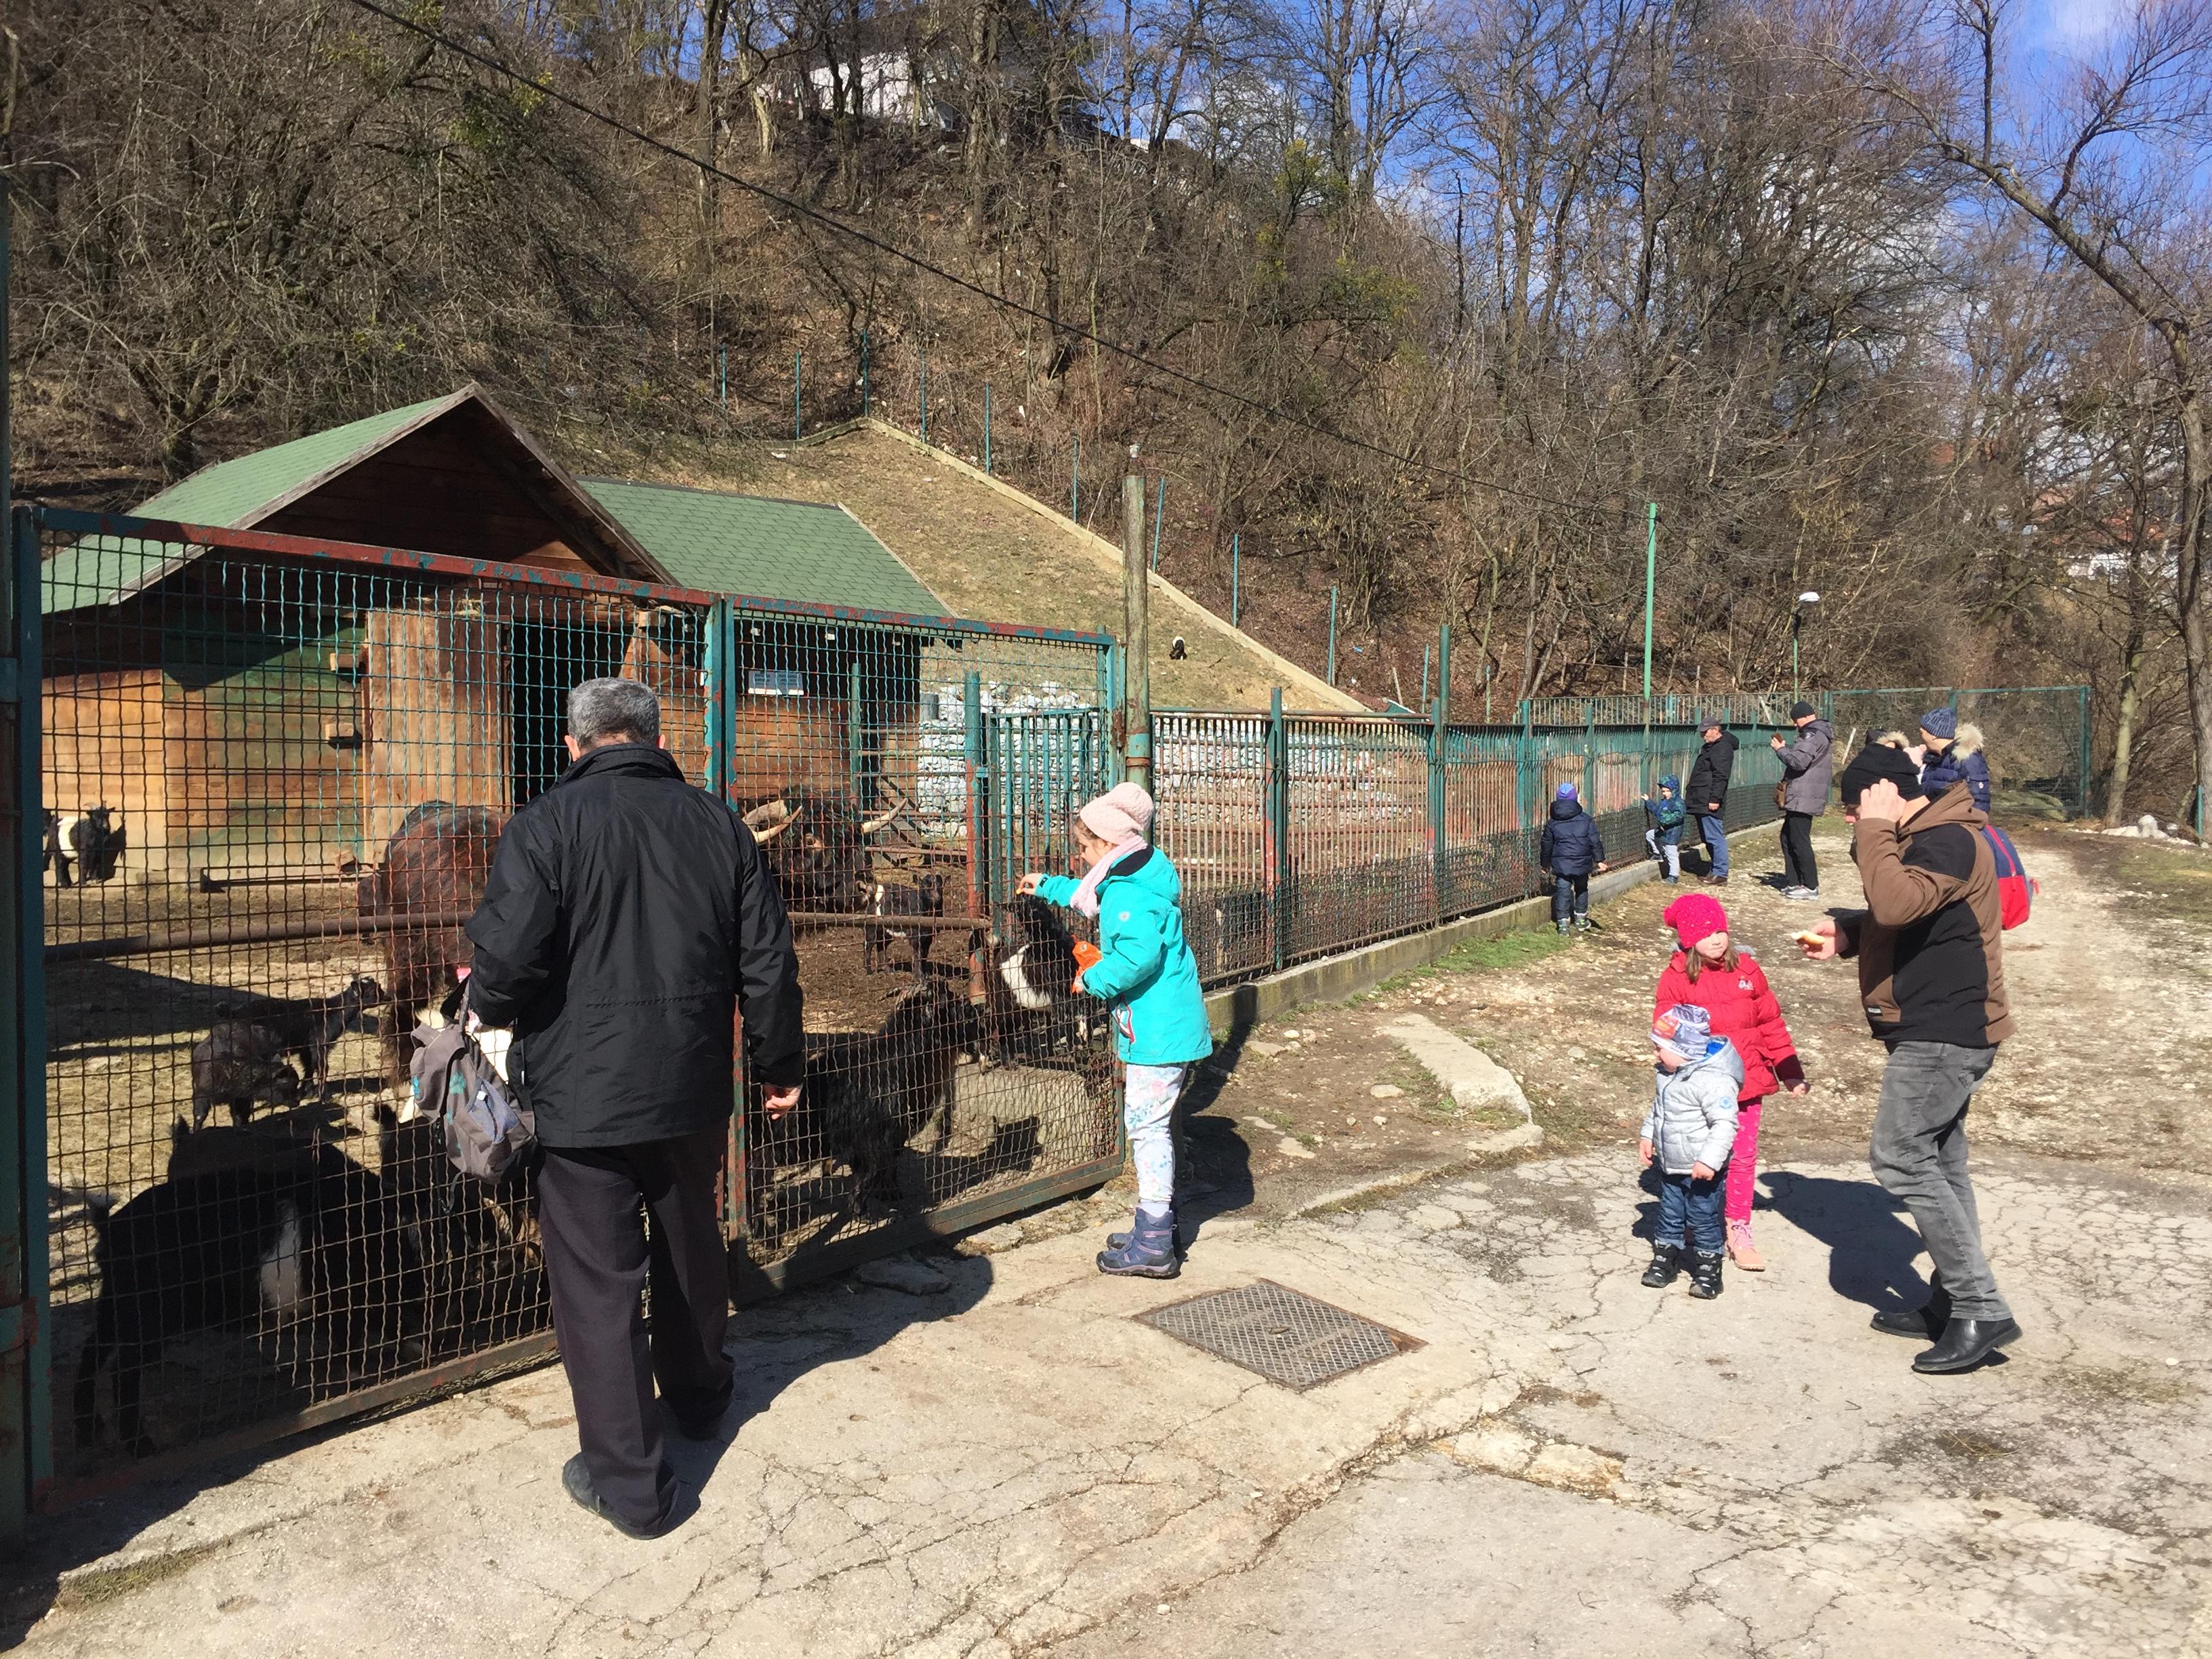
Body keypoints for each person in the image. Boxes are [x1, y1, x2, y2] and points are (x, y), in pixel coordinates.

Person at [466, 677, 805, 1539]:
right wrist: (778, 1064)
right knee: (691, 1246)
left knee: (599, 1287)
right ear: (655, 740)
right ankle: (700, 1403)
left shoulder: (543, 826)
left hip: (583, 1105)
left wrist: (492, 999)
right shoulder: (719, 826)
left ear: (575, 745)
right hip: (692, 1091)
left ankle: (633, 1487)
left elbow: (502, 975)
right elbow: (768, 959)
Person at [1798, 742, 2019, 1374]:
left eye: (1853, 805)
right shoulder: (1930, 838)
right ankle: (1952, 1300)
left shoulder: (1946, 837)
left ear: (1886, 795)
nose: (1848, 819)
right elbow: (1916, 917)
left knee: (1899, 1156)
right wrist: (1851, 932)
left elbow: (1898, 902)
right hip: (1939, 1025)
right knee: (1942, 1164)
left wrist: (1875, 829)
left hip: (1946, 1030)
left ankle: (1981, 1305)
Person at [1021, 781, 1212, 1279]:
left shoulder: (1126, 891)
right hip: (1162, 1024)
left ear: (1106, 844)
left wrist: (1092, 980)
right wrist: (1047, 886)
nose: (1081, 858)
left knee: (1146, 1131)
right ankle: (1155, 1227)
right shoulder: (1138, 873)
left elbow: (1136, 956)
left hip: (1156, 1031)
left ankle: (1153, 1241)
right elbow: (1092, 899)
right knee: (1150, 1127)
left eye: (1084, 848)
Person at [1652, 893, 1807, 1272]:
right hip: (1697, 1089)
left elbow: (1770, 1022)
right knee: (1695, 1153)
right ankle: (1697, 1217)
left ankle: (1738, 1226)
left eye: (1721, 929)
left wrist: (1789, 1070)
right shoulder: (1676, 978)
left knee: (1740, 1156)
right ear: (1689, 940)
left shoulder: (1748, 971)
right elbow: (1665, 1029)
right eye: (1707, 933)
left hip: (1748, 1081)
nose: (1718, 938)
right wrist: (1668, 1059)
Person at [1637, 1004, 1742, 1300]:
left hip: (1702, 1166)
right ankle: (1665, 1261)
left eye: (1660, 1049)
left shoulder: (1714, 1081)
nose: (1655, 1055)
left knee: (1703, 1216)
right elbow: (1659, 1109)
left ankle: (1709, 1271)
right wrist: (1648, 1135)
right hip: (1671, 1162)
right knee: (1670, 1214)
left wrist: (1709, 1160)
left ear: (1684, 1050)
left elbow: (1724, 1124)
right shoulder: (1667, 1074)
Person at [1769, 701, 1834, 901]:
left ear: (1804, 717)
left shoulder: (1813, 735)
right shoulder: (1820, 733)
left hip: (1804, 797)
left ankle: (1810, 885)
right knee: (1788, 837)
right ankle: (1795, 881)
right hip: (1804, 795)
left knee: (1799, 839)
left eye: (1796, 720)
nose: (1795, 725)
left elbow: (1798, 762)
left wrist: (1781, 750)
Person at [1538, 782, 1608, 934]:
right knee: (1582, 889)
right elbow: (1594, 841)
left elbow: (1546, 844)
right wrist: (1600, 860)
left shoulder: (1553, 822)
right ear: (1575, 799)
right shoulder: (1586, 819)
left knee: (1563, 891)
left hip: (1562, 864)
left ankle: (1563, 923)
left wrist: (1545, 864)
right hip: (1582, 863)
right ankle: (1581, 920)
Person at [1686, 717, 1738, 884]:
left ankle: (1721, 872)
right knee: (1708, 836)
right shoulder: (1712, 747)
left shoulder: (1722, 748)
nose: (1703, 735)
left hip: (1709, 799)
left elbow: (1721, 776)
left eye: (1705, 732)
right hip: (1702, 798)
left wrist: (1715, 798)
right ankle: (1716, 869)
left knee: (1714, 836)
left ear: (1716, 730)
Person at [1919, 708, 1992, 813]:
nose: (1920, 737)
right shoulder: (1932, 759)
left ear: (1934, 735)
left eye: (1922, 732)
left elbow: (1980, 802)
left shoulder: (1968, 759)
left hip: (1957, 826)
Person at [1641, 775, 1687, 883]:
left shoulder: (1678, 803)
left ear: (1674, 790)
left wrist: (1664, 820)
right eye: (1663, 791)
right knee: (1650, 835)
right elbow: (1657, 811)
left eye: (1668, 791)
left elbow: (1679, 816)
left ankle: (1673, 876)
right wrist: (1649, 802)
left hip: (1672, 834)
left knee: (1672, 854)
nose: (1665, 794)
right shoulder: (1664, 802)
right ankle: (1658, 854)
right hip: (1663, 831)